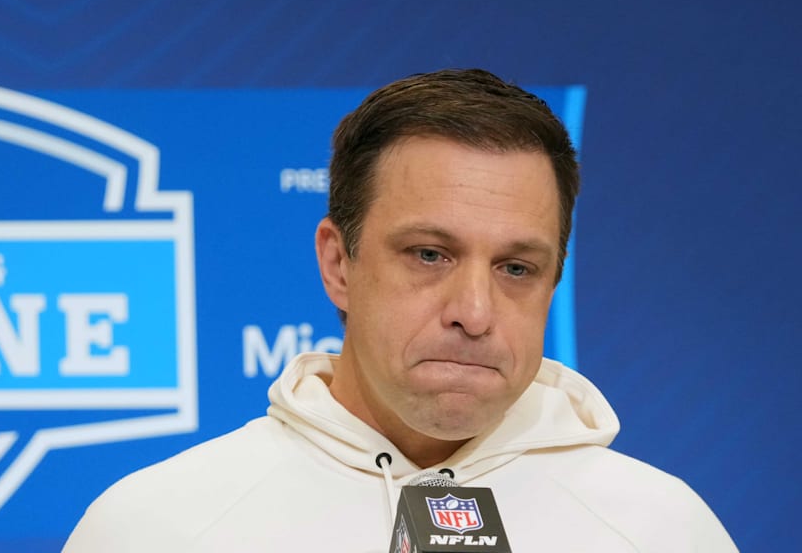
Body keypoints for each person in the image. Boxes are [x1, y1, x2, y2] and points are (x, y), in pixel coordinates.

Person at [62, 69, 737, 552]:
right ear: (338, 263)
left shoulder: (665, 531)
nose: (475, 312)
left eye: (516, 268)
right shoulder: (155, 528)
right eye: (429, 255)